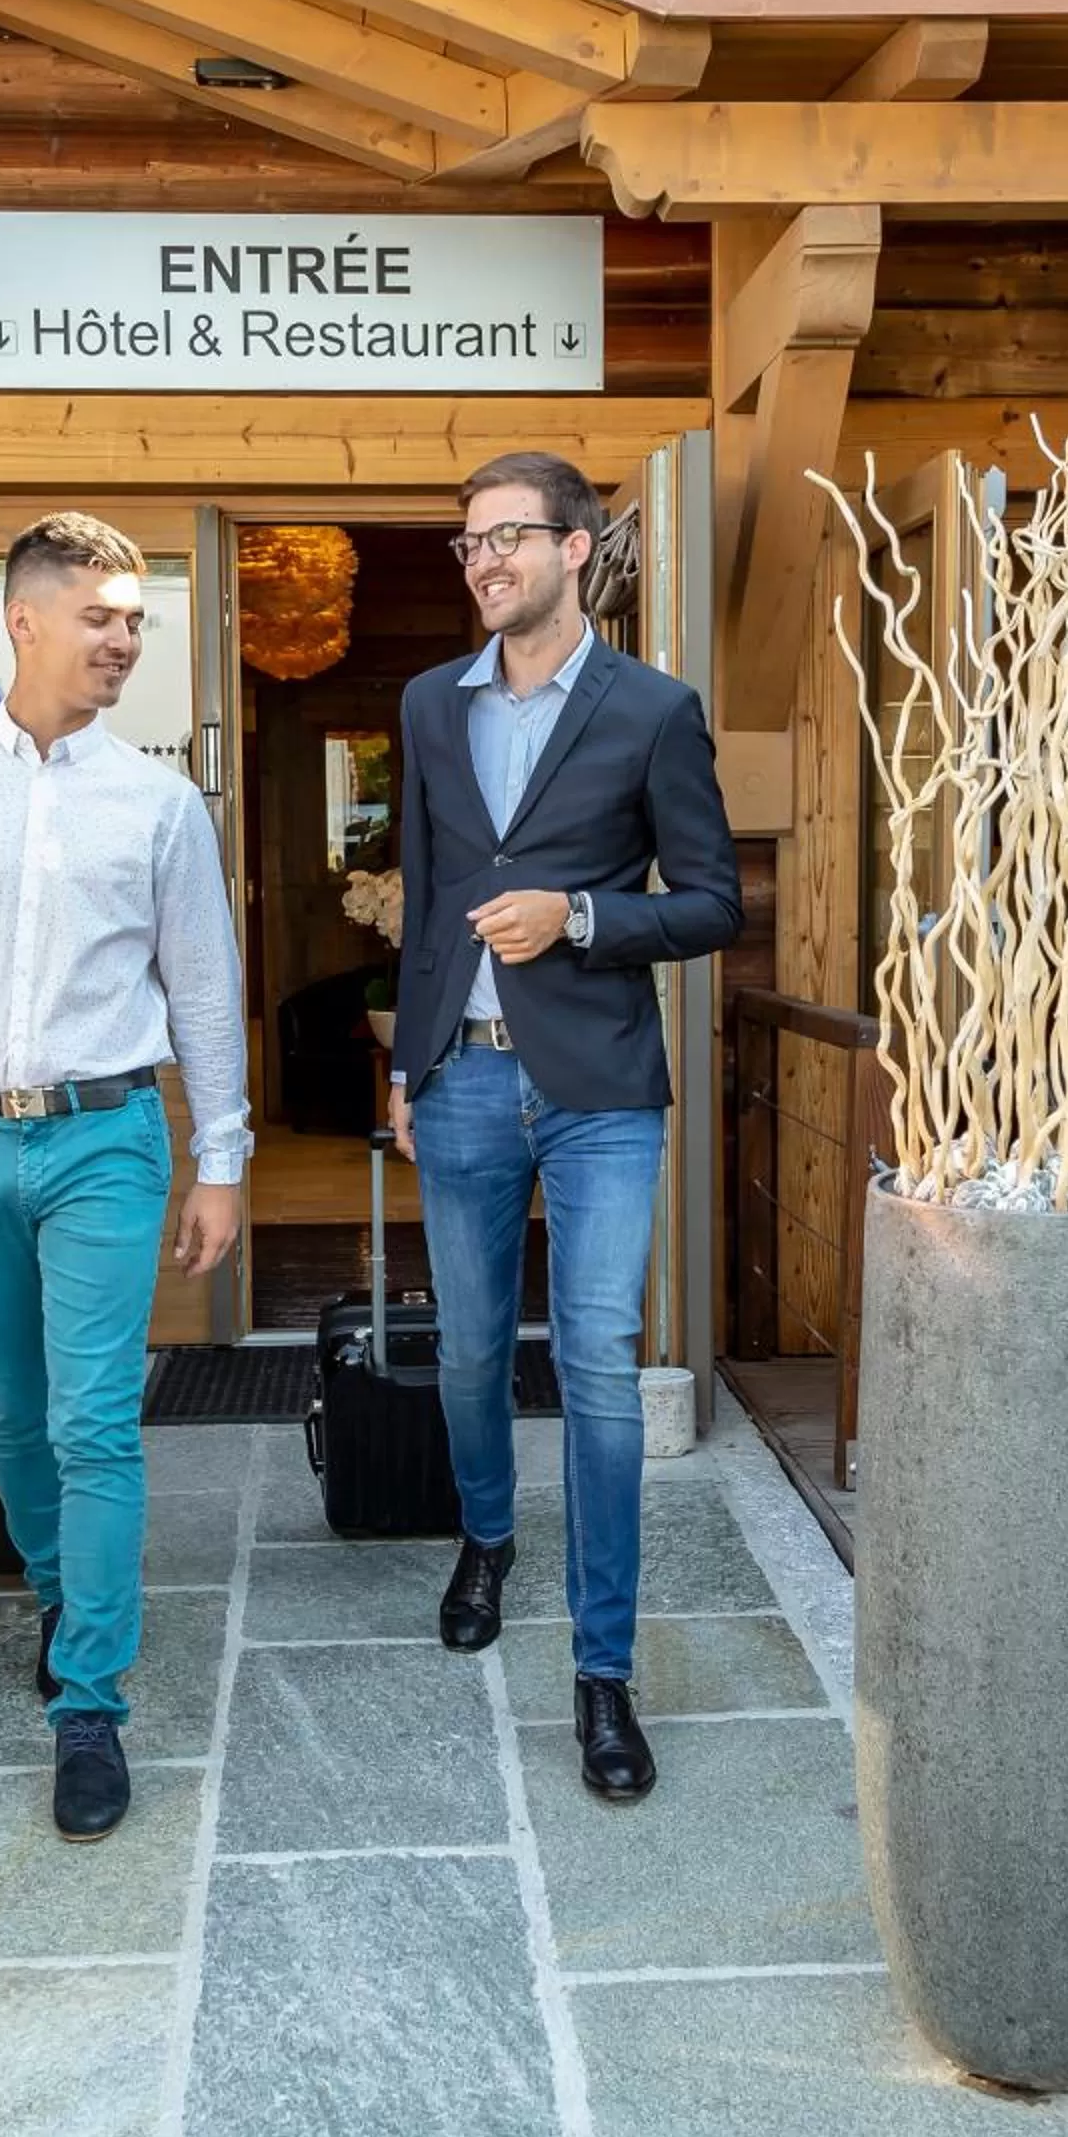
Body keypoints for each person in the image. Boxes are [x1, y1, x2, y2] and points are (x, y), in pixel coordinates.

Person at [0, 510, 249, 1844]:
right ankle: (63, 1594)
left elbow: (202, 986)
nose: (126, 637)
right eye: (103, 615)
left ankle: (89, 1702)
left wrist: (221, 1159)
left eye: (136, 618)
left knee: (94, 1423)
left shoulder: (158, 802)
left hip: (106, 1137)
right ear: (23, 620)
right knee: (10, 1419)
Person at [387, 451, 741, 1802]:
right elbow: (426, 901)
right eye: (468, 542)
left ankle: (604, 1672)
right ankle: (487, 1535)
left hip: (598, 1087)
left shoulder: (655, 711)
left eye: (509, 539)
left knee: (594, 1360)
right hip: (462, 1079)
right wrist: (409, 1064)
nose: (484, 561)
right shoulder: (429, 706)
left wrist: (583, 917)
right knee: (472, 1348)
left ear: (577, 549)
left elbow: (713, 905)